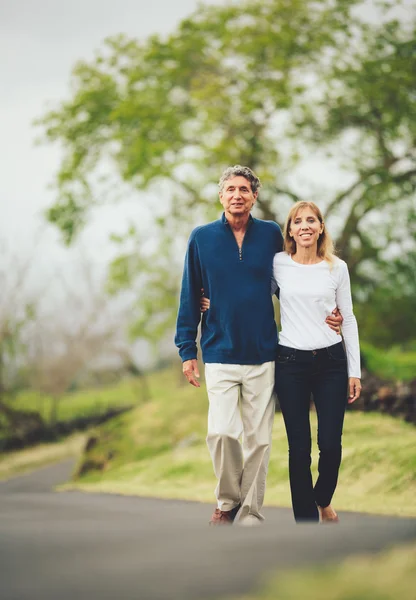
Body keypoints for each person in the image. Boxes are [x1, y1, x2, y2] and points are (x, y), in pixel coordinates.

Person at [175, 165, 342, 526]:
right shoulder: (201, 238)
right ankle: (227, 501)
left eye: (244, 190)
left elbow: (296, 281)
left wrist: (331, 315)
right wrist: (188, 350)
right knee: (221, 432)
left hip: (265, 353)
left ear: (254, 197)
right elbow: (190, 295)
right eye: (230, 189)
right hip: (219, 351)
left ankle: (250, 513)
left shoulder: (269, 236)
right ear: (221, 196)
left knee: (259, 442)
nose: (237, 195)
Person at [272, 201, 361, 523]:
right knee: (299, 448)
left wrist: (355, 371)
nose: (305, 226)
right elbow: (245, 291)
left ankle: (323, 499)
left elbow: (347, 319)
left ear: (321, 227)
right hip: (290, 361)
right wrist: (206, 297)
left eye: (312, 220)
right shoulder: (277, 264)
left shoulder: (336, 268)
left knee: (330, 444)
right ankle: (305, 522)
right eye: (298, 221)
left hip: (332, 362)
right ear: (290, 230)